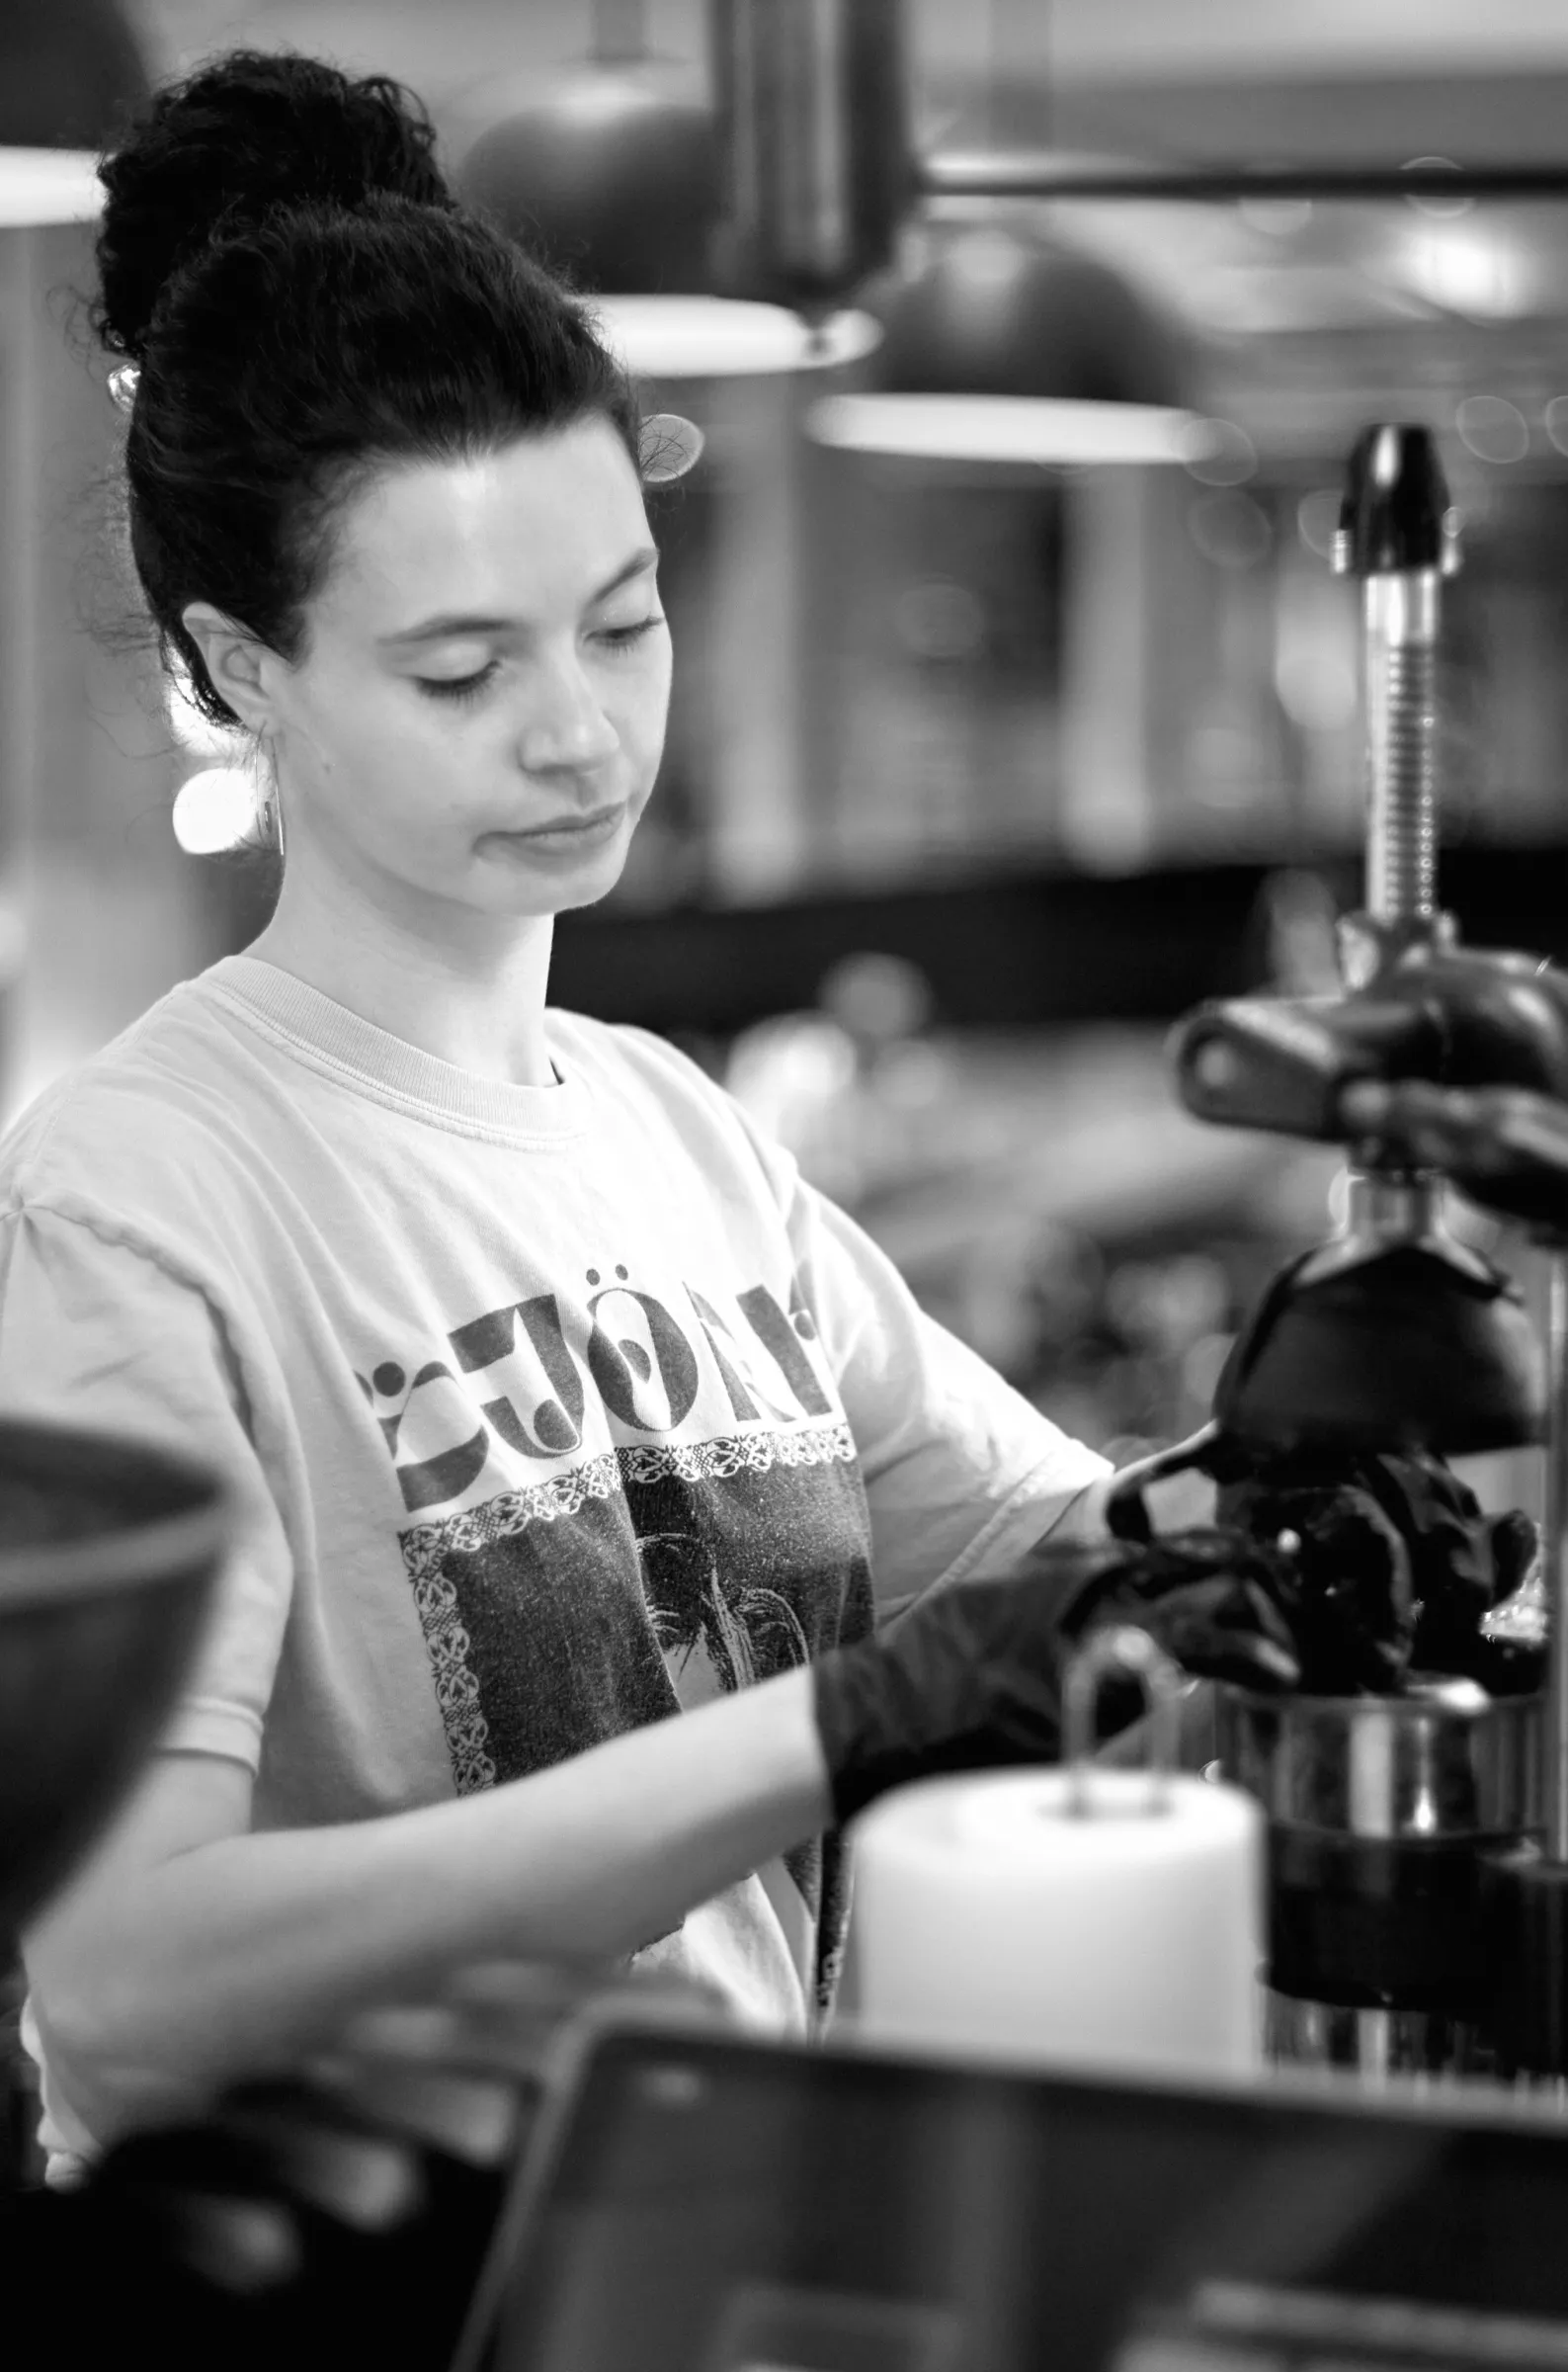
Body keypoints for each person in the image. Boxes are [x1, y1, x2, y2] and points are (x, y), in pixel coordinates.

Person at [0, 49, 1257, 2187]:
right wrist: (827, 1732)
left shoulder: (672, 1135)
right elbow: (128, 1978)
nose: (580, 738)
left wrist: (1297, 1460)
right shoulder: (130, 1200)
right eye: (462, 670)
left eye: (623, 623)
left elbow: (1057, 1561)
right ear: (241, 667)